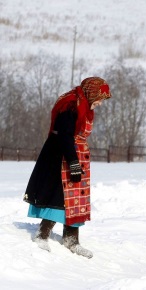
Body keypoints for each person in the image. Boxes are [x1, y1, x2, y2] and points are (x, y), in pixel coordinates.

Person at [23, 77, 112, 258]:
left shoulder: (84, 106)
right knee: (60, 195)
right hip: (60, 155)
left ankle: (72, 239)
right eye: (100, 98)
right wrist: (72, 161)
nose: (101, 103)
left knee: (76, 197)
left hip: (76, 154)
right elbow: (63, 136)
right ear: (92, 93)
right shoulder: (71, 106)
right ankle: (42, 234)